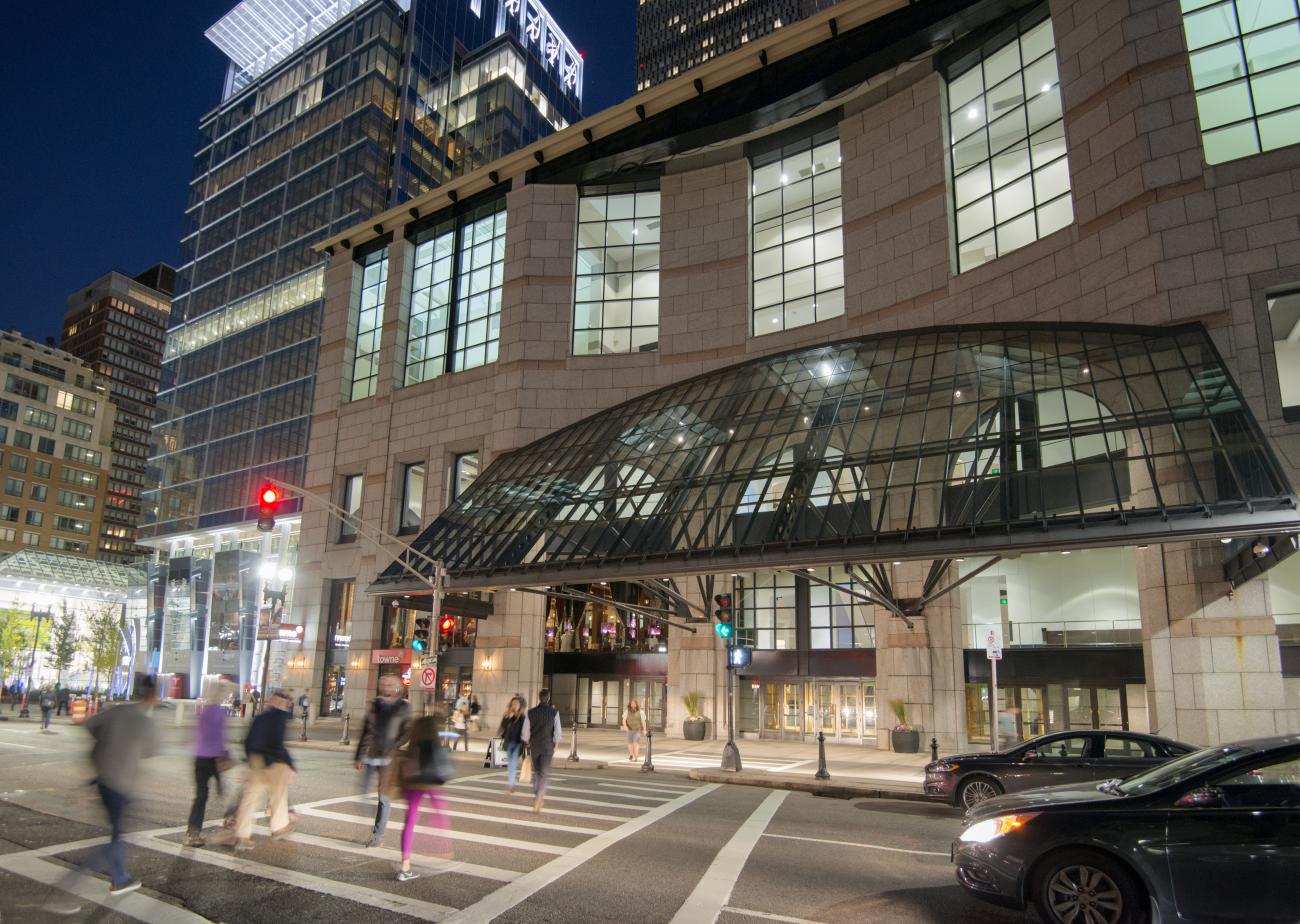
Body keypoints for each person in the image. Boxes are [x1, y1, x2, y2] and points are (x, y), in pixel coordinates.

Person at [84, 675, 160, 895]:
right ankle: (105, 878)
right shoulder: (145, 723)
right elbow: (151, 751)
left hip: (103, 778)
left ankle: (120, 877)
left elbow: (89, 724)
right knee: (116, 836)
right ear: (153, 696)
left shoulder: (116, 711)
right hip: (121, 784)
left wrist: (105, 740)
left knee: (117, 832)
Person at [228, 689, 296, 851]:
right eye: (284, 703)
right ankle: (279, 828)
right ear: (282, 703)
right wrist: (289, 764)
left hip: (255, 760)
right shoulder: (280, 718)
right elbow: (278, 743)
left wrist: (248, 762)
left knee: (250, 799)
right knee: (278, 796)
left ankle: (242, 835)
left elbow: (248, 741)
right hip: (274, 763)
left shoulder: (259, 718)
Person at [395, 714, 453, 881]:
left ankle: (405, 865)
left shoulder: (413, 748)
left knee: (409, 822)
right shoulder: (436, 747)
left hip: (413, 785)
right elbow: (445, 772)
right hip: (431, 783)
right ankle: (443, 850)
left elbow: (405, 773)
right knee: (440, 812)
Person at [355, 675, 410, 848]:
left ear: (397, 687)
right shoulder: (375, 705)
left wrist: (394, 746)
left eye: (389, 684)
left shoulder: (403, 707)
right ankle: (373, 828)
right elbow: (366, 730)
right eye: (383, 683)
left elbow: (407, 731)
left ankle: (378, 835)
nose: (385, 686)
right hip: (371, 755)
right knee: (363, 793)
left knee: (384, 798)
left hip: (389, 758)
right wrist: (359, 755)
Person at [186, 681, 232, 847]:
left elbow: (198, 733)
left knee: (201, 797)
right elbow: (220, 736)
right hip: (213, 759)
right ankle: (230, 829)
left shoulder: (203, 712)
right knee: (224, 794)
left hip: (200, 758)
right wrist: (225, 753)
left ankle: (192, 832)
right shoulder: (220, 712)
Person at [521, 689, 562, 813]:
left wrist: (527, 742)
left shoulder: (531, 712)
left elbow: (525, 732)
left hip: (535, 746)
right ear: (548, 698)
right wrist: (556, 744)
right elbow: (557, 732)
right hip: (547, 746)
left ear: (539, 698)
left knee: (537, 772)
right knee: (544, 773)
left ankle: (537, 793)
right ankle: (539, 797)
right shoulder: (554, 712)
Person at [496, 697, 525, 793]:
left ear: (520, 706)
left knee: (513, 763)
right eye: (513, 703)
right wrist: (508, 716)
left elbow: (525, 729)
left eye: (517, 704)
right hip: (509, 742)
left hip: (518, 743)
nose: (515, 705)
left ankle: (511, 784)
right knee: (511, 764)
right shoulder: (507, 716)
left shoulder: (522, 717)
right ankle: (511, 783)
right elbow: (502, 727)